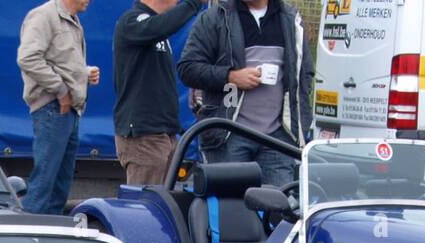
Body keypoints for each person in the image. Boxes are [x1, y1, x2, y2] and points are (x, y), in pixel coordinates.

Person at [177, 0, 313, 189]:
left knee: (279, 212)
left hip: (278, 140)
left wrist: (297, 127)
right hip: (227, 136)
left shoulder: (290, 19)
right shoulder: (215, 18)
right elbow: (187, 68)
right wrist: (230, 76)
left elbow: (305, 73)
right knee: (230, 210)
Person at [17, 0, 101, 214]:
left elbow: (61, 62)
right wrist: (61, 91)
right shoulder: (44, 16)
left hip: (69, 110)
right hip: (52, 108)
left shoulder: (73, 21)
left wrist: (84, 72)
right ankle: (23, 240)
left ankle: (49, 241)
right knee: (44, 183)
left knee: (59, 187)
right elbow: (28, 58)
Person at [112, 0, 205, 186]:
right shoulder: (132, 21)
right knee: (143, 209)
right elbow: (160, 26)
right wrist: (194, 4)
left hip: (164, 134)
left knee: (162, 206)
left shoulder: (155, 28)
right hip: (144, 135)